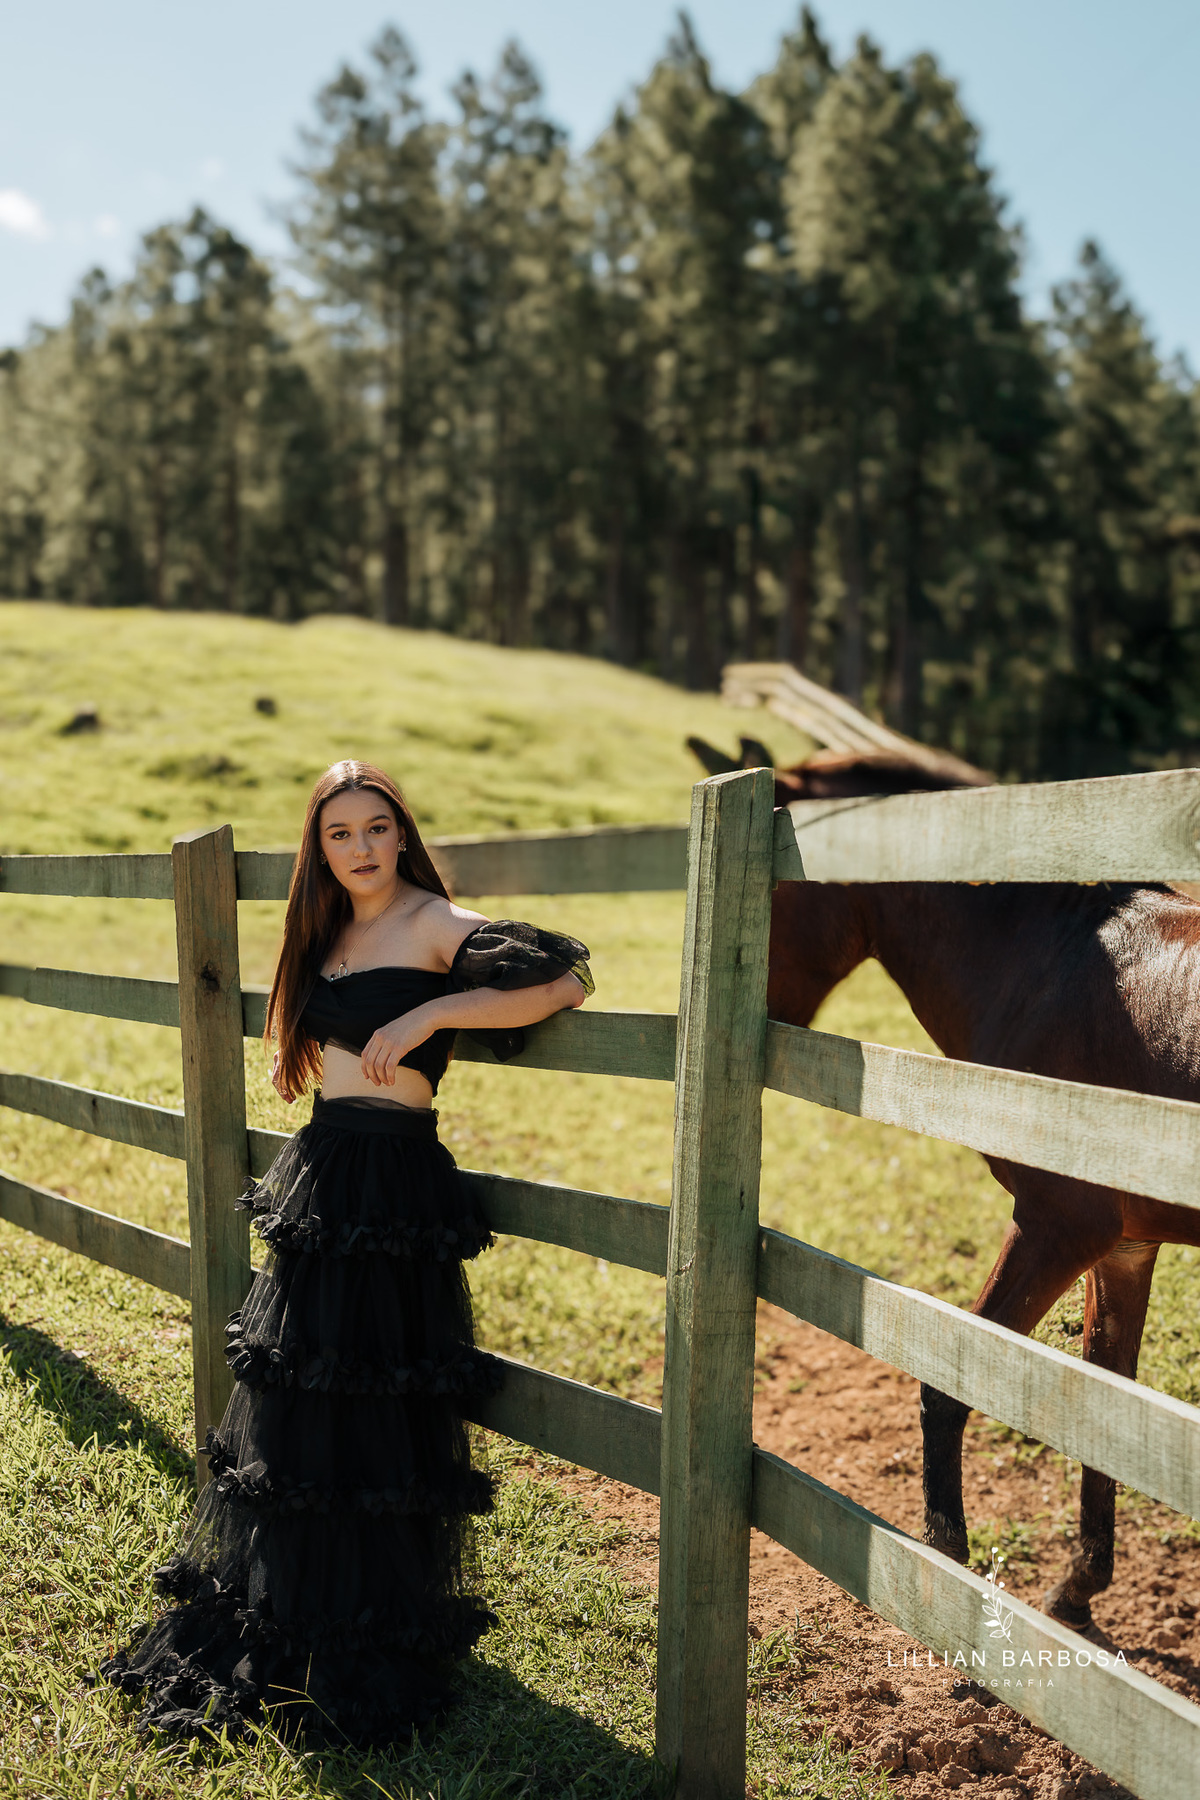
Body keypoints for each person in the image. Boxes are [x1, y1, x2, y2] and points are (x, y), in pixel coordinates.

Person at [99, 759, 592, 1745]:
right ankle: (292, 1606)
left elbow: (564, 979)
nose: (360, 847)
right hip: (321, 1171)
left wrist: (432, 1011)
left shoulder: (431, 921)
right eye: (340, 834)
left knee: (378, 1398)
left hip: (397, 1181)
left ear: (400, 835)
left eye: (375, 828)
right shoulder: (326, 930)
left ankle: (368, 1621)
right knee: (302, 1397)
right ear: (318, 848)